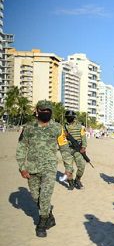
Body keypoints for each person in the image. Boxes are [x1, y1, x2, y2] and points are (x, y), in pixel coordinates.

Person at [16, 100, 64, 237]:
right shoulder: (29, 127)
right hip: (32, 168)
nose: (46, 113)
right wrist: (22, 167)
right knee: (35, 196)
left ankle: (41, 224)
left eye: (49, 111)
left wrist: (68, 168)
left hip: (49, 168)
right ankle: (49, 215)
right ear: (37, 111)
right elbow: (22, 147)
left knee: (45, 196)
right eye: (43, 111)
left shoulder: (57, 128)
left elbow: (64, 148)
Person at [58, 109, 87, 190]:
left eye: (70, 117)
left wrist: (83, 147)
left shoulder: (80, 127)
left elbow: (84, 138)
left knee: (82, 166)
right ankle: (70, 183)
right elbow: (60, 138)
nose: (69, 118)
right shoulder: (63, 127)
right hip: (67, 150)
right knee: (68, 168)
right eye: (68, 117)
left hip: (78, 149)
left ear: (74, 117)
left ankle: (77, 180)